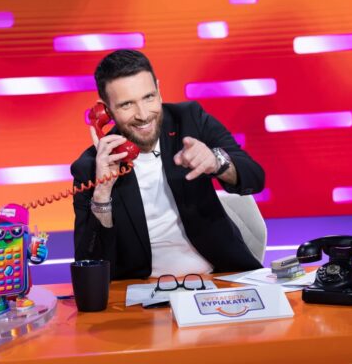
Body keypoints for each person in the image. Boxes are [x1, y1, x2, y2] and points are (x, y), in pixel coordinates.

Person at [71, 49, 265, 280]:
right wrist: (102, 193)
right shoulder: (90, 167)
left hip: (216, 276)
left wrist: (217, 162)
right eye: (127, 105)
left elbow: (255, 178)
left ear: (159, 91)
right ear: (105, 110)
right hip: (142, 289)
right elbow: (89, 265)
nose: (143, 115)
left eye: (148, 97)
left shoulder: (189, 119)